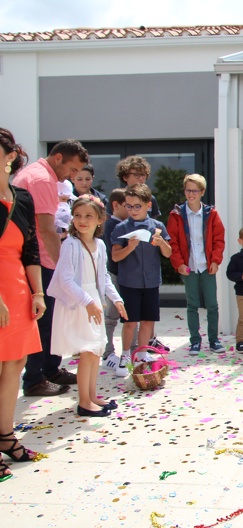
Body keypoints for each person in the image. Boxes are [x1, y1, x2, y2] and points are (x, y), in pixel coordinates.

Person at [14, 139, 89, 397]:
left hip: (38, 259)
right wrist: (62, 268)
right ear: (58, 158)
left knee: (51, 320)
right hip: (41, 261)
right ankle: (35, 379)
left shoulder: (36, 174)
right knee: (44, 322)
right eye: (72, 170)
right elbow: (46, 230)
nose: (72, 177)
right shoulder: (42, 179)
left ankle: (49, 369)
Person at [48, 196, 126, 417]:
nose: (82, 220)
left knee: (96, 350)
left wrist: (116, 298)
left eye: (88, 216)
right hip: (79, 301)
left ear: (100, 220)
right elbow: (65, 279)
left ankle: (92, 396)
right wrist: (87, 302)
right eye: (78, 215)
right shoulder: (70, 244)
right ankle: (83, 402)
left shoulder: (100, 245)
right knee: (87, 350)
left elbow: (104, 277)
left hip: (93, 300)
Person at [0, 129, 46, 479]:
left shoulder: (23, 199)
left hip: (17, 288)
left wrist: (38, 293)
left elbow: (31, 250)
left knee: (15, 363)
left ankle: (5, 435)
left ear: (10, 157)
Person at [109, 184, 171, 376]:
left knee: (147, 320)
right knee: (130, 322)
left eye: (137, 206)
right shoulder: (121, 228)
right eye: (129, 206)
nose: (133, 210)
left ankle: (142, 354)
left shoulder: (157, 227)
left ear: (148, 205)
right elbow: (115, 257)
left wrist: (162, 243)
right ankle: (125, 355)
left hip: (151, 281)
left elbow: (168, 253)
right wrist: (129, 247)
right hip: (130, 282)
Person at [167, 174, 225, 355]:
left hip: (207, 265)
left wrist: (215, 260)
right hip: (189, 265)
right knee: (192, 305)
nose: (191, 194)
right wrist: (179, 264)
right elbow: (173, 242)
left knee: (212, 304)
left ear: (202, 192)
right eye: (188, 190)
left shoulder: (211, 214)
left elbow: (219, 239)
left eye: (195, 191)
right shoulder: (177, 214)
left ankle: (214, 340)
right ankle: (195, 341)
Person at [102, 189, 129, 360]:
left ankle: (132, 349)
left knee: (129, 316)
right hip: (115, 274)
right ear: (116, 205)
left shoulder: (127, 223)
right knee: (111, 316)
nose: (131, 209)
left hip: (127, 275)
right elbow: (114, 253)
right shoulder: (111, 225)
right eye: (127, 206)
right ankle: (107, 351)